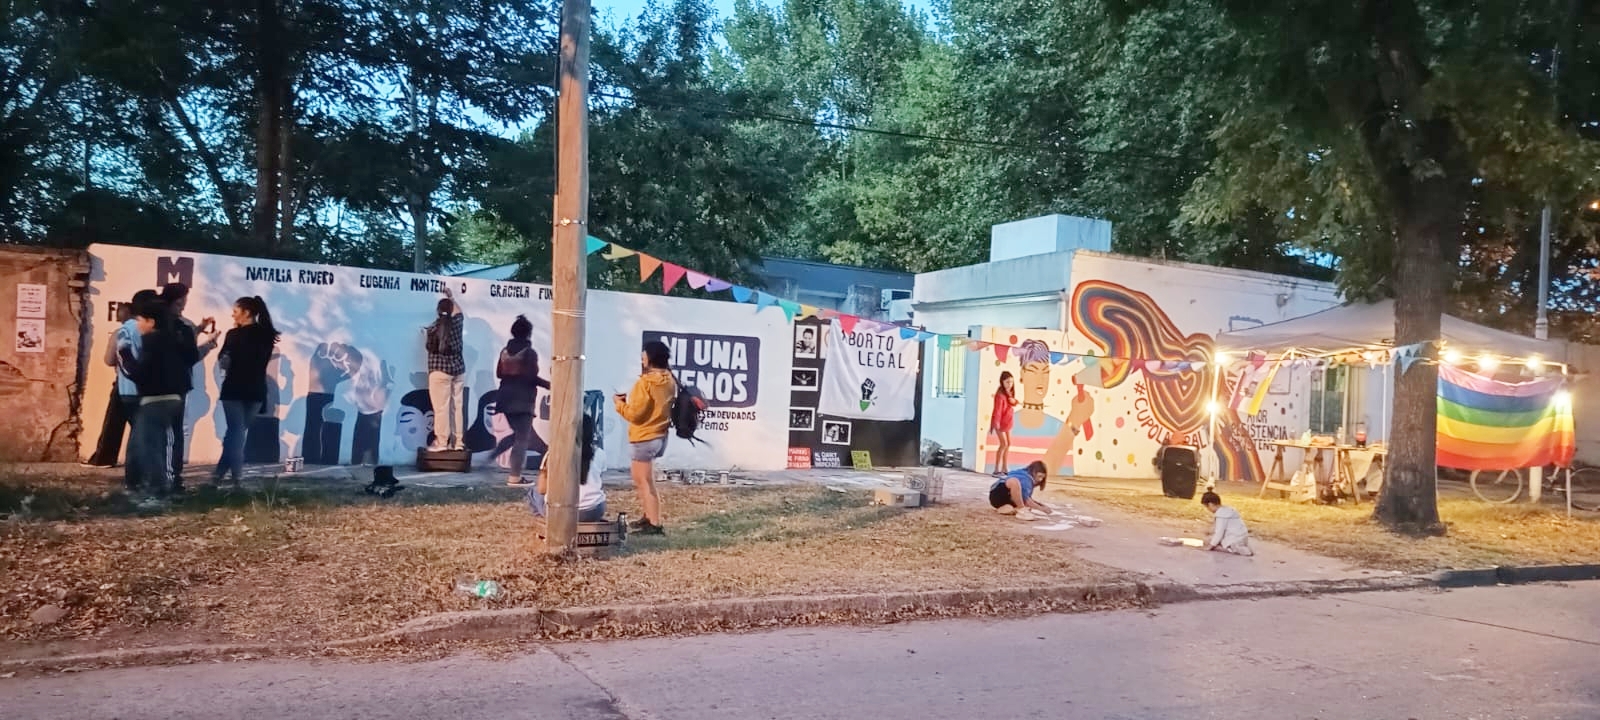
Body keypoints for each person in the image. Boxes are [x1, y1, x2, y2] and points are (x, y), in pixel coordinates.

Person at [125, 298, 192, 506]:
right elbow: (191, 357)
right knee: (152, 447)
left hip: (157, 399)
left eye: (141, 320)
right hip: (172, 396)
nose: (138, 325)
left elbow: (139, 373)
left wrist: (125, 354)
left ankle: (160, 493)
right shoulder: (173, 338)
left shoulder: (153, 341)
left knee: (152, 448)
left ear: (151, 322)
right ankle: (156, 490)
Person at [211, 296, 279, 487]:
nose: (233, 314)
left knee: (234, 434)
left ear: (246, 312)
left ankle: (229, 478)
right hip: (255, 390)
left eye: (235, 310)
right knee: (237, 434)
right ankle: (228, 479)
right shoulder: (266, 334)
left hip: (234, 388)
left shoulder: (234, 335)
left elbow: (224, 360)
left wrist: (225, 360)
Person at [613, 339, 676, 535]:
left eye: (643, 356)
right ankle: (649, 516)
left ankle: (654, 523)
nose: (641, 359)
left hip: (643, 437)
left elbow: (635, 415)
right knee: (646, 480)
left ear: (648, 358)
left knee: (644, 481)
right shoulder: (669, 380)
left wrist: (619, 404)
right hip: (659, 436)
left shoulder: (645, 383)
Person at [159, 283, 218, 491]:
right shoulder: (180, 326)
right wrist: (209, 343)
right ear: (180, 300)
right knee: (173, 433)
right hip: (175, 385)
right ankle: (171, 479)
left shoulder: (153, 321)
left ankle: (155, 476)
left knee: (156, 432)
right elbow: (190, 356)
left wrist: (198, 329)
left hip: (152, 384)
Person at [83, 300, 140, 468]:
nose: (117, 314)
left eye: (121, 311)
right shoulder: (146, 330)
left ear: (129, 313)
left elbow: (109, 360)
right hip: (144, 384)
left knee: (113, 423)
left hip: (123, 383)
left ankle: (104, 458)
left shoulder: (121, 332)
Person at [497, 315, 552, 485]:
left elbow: (499, 374)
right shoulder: (529, 353)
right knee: (522, 439)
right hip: (523, 401)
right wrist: (550, 385)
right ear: (529, 334)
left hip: (505, 399)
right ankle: (515, 477)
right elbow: (530, 377)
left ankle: (513, 472)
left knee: (518, 437)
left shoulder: (504, 352)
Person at [527, 415, 607, 522]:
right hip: (593, 511)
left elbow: (542, 489)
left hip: (562, 513)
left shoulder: (553, 454)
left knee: (533, 493)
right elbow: (598, 481)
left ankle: (545, 524)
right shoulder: (600, 453)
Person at [424, 286, 465, 452]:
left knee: (441, 408)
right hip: (458, 369)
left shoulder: (432, 328)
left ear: (437, 311)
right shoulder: (457, 323)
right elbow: (459, 312)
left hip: (439, 370)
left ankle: (442, 442)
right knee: (458, 407)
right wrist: (452, 297)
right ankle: (459, 442)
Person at [988, 460, 1055, 521]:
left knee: (1015, 507)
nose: (1040, 480)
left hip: (1004, 500)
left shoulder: (1025, 477)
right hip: (998, 494)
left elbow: (1026, 498)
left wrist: (1041, 506)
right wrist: (1041, 509)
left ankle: (1010, 509)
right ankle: (1021, 509)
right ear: (1033, 473)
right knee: (1014, 482)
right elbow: (1026, 500)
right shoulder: (1026, 479)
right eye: (1039, 476)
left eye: (1042, 478)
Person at [1202, 491, 1253, 556]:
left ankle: (1235, 549)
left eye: (1207, 507)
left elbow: (1219, 532)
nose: (1208, 509)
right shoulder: (1227, 510)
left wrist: (1210, 546)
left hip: (1234, 540)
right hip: (1241, 538)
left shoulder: (1221, 515)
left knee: (1211, 545)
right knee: (1209, 540)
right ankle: (1237, 547)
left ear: (1210, 504)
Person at [990, 370, 1019, 475]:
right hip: (1000, 423)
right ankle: (996, 468)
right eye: (1007, 382)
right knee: (1003, 444)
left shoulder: (1010, 393)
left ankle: (1005, 467)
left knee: (1008, 444)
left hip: (1008, 422)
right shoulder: (1000, 395)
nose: (1010, 384)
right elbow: (997, 410)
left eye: (1011, 382)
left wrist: (1014, 401)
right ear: (1002, 382)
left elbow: (1014, 402)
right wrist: (996, 423)